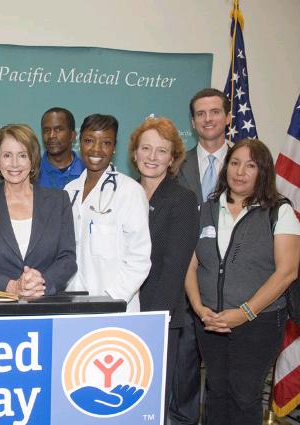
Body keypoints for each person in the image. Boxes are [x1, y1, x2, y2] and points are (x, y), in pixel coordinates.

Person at [184, 138, 300, 425]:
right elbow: (191, 264)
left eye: (250, 165)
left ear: (263, 172)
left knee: (244, 395)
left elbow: (287, 272)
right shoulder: (207, 209)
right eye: (234, 163)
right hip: (210, 319)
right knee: (216, 391)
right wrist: (199, 308)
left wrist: (244, 313)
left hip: (257, 323)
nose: (240, 171)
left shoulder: (279, 211)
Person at [128, 117, 199, 424]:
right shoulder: (122, 194)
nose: (152, 157)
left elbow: (174, 266)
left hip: (157, 319)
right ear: (134, 153)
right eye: (146, 148)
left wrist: (149, 323)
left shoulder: (182, 199)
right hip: (120, 311)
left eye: (161, 151)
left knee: (149, 402)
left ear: (172, 158)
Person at [172, 87, 231, 425]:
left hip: (229, 285)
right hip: (184, 281)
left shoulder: (245, 161)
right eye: (200, 114)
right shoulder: (176, 163)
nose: (208, 119)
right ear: (192, 122)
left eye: (214, 112)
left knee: (224, 382)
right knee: (183, 373)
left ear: (226, 117)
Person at [0, 124, 77, 296]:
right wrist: (12, 287)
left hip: (46, 309)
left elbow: (67, 259)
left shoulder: (58, 201)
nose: (14, 164)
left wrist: (41, 284)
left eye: (22, 155)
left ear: (32, 161)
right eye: (7, 155)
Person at [64, 114, 151, 311]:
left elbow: (139, 258)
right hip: (70, 302)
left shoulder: (129, 192)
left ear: (114, 147)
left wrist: (111, 299)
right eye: (88, 141)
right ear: (79, 142)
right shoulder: (69, 191)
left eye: (106, 143)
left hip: (114, 306)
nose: (96, 149)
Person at [38, 107, 85, 189]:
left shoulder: (86, 171)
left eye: (58, 129)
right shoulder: (32, 172)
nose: (51, 135)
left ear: (73, 135)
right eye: (46, 130)